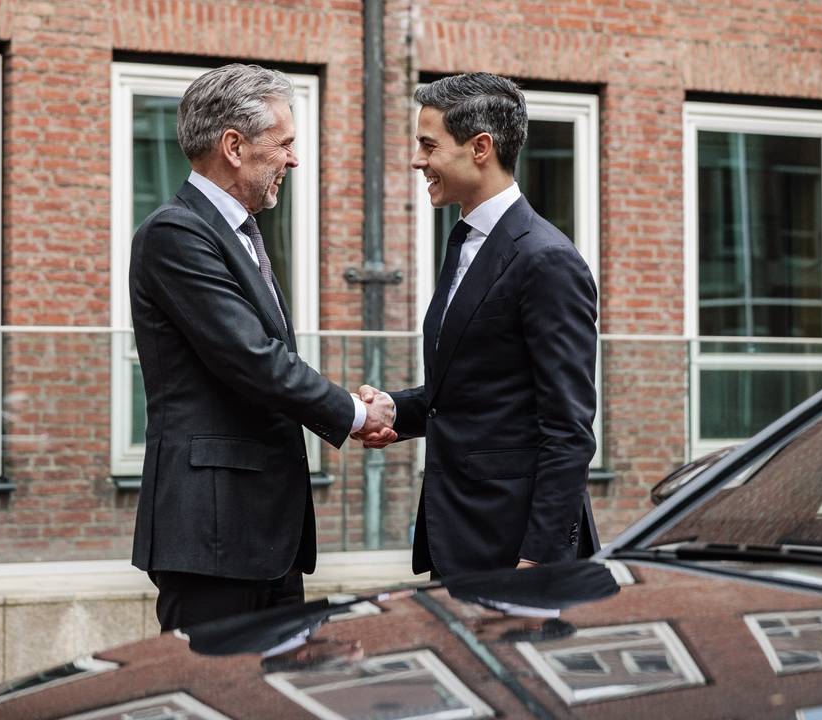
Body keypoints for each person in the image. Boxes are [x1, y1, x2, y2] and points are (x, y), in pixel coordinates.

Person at [129, 64, 396, 631]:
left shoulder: (237, 232)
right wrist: (353, 413)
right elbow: (251, 358)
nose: (293, 160)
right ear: (233, 146)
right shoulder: (176, 234)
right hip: (214, 534)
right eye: (284, 143)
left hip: (262, 535)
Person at [359, 73, 599, 578]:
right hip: (463, 536)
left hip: (514, 548)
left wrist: (539, 559)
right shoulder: (467, 241)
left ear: (480, 147)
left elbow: (569, 429)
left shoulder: (547, 260)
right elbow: (478, 391)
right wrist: (395, 410)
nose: (416, 160)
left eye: (429, 145)